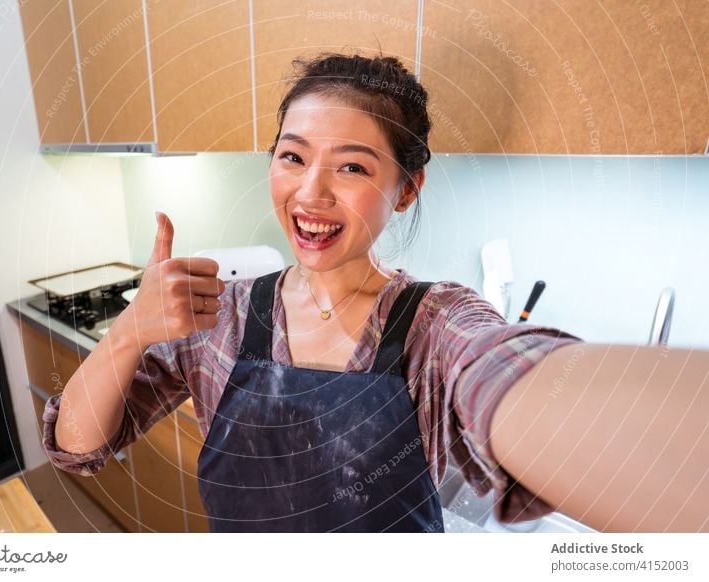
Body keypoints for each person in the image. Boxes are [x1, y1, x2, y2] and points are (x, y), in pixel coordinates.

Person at [41, 53, 708, 533]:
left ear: (406, 187)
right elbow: (78, 449)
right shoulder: (223, 314)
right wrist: (129, 329)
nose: (310, 193)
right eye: (293, 156)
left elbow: (514, 379)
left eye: (353, 166)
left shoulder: (437, 327)